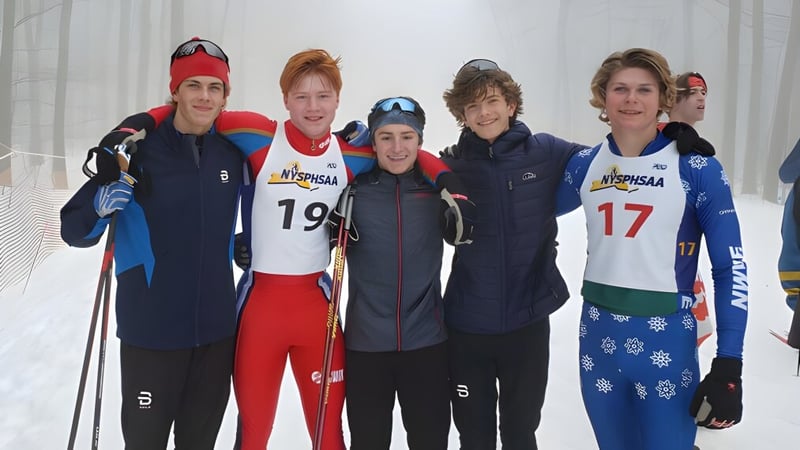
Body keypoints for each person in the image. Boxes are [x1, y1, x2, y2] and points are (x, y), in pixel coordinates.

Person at [556, 48, 748, 450]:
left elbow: (730, 267)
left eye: (644, 89)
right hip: (598, 340)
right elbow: (521, 207)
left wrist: (730, 363)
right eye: (620, 89)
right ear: (602, 98)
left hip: (667, 340)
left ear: (662, 97)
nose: (631, 99)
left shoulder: (696, 167)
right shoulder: (585, 164)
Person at [60, 37, 242, 449]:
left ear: (225, 96)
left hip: (216, 333)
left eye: (215, 87)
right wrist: (100, 209)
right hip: (151, 334)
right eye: (193, 85)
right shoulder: (134, 152)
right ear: (174, 90)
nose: (204, 96)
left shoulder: (232, 155)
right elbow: (73, 230)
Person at [440, 59, 584, 449]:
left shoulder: (547, 152)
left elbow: (614, 161)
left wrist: (667, 133)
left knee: (521, 434)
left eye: (491, 101)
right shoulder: (449, 165)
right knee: (475, 436)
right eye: (472, 106)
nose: (483, 113)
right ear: (462, 115)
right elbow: (395, 161)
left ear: (511, 104)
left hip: (527, 323)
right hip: (467, 327)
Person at [342, 96, 466, 450]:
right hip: (366, 347)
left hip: (426, 344)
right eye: (386, 137)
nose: (397, 147)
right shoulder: (352, 190)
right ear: (374, 141)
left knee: (430, 441)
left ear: (420, 141)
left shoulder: (437, 191)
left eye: (407, 137)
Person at [659, 71, 713, 346]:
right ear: (672, 99)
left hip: (684, 258)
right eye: (694, 92)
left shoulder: (698, 151)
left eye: (704, 92)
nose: (702, 97)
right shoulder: (652, 138)